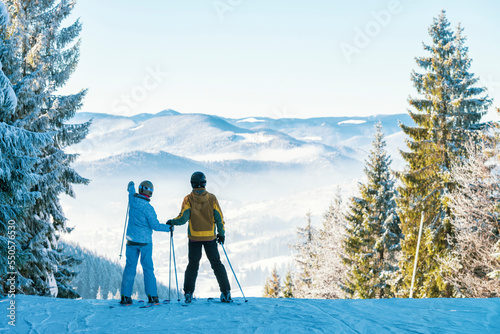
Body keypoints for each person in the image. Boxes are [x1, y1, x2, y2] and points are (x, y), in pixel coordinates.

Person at [167, 171, 231, 303]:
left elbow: (183, 218)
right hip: (210, 237)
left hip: (194, 237)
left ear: (192, 184)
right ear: (205, 183)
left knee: (193, 265)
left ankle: (188, 293)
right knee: (217, 264)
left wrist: (171, 221)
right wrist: (222, 234)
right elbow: (219, 218)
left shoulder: (188, 199)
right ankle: (226, 292)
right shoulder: (212, 198)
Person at [120, 180, 172, 305]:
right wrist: (169, 228)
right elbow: (155, 226)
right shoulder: (148, 208)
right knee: (148, 268)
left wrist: (131, 185)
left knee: (130, 268)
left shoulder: (132, 200)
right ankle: (152, 296)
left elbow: (130, 190)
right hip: (145, 243)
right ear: (150, 193)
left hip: (131, 241)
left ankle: (125, 296)